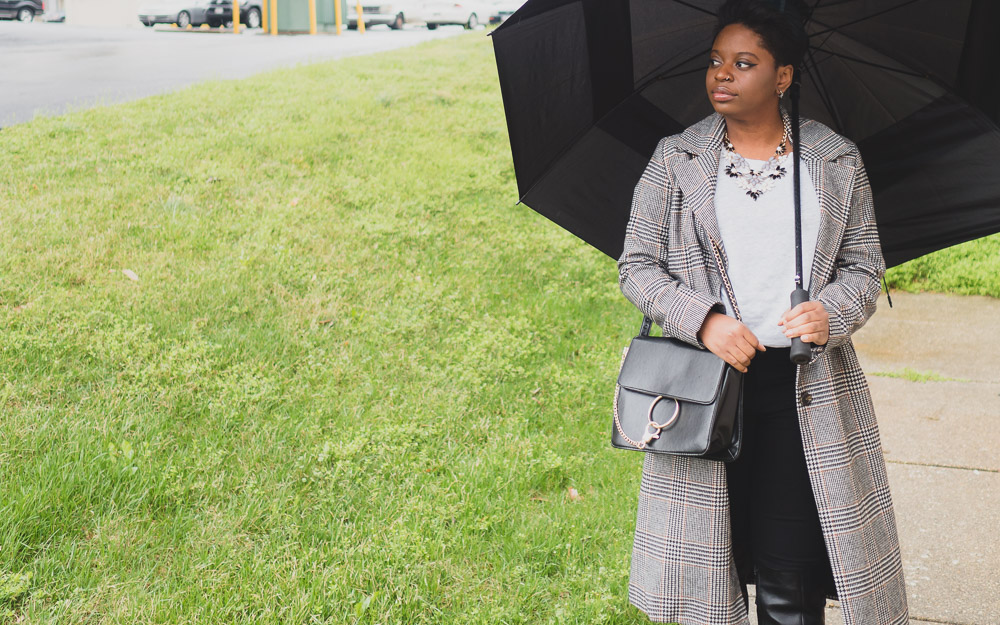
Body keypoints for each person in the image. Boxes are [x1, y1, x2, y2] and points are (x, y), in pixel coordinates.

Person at [616, 1, 909, 624]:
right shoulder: (676, 159)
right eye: (715, 61)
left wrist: (831, 312)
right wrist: (704, 321)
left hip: (804, 389)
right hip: (702, 386)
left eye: (744, 63)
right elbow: (636, 265)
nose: (722, 74)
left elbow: (864, 266)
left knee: (791, 574)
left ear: (783, 77)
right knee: (706, 570)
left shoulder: (834, 161)